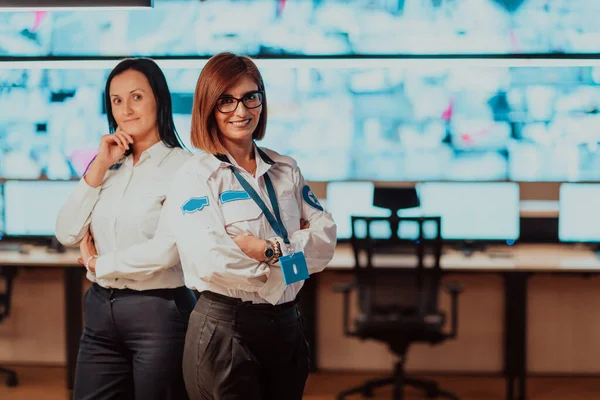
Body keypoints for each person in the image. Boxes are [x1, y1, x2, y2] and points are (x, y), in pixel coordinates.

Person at [164, 52, 337, 400]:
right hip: (228, 329)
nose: (241, 111)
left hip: (287, 326)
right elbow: (214, 262)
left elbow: (326, 241)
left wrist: (268, 251)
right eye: (226, 101)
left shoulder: (286, 169)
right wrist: (293, 258)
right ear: (208, 106)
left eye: (250, 97)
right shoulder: (196, 177)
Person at [55, 58, 195, 400]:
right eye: (116, 101)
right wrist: (100, 163)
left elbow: (166, 251)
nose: (126, 110)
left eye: (136, 97)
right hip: (102, 310)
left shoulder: (186, 168)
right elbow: (67, 232)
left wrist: (97, 264)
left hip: (158, 313)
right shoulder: (110, 168)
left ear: (159, 99)